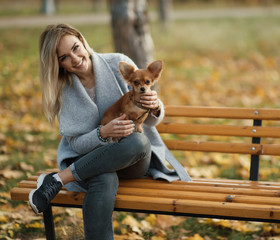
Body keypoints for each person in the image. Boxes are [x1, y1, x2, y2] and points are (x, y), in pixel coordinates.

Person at [29, 23, 191, 240]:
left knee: (139, 141)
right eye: (64, 57)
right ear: (58, 64)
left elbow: (151, 119)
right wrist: (102, 133)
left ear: (83, 41)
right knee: (103, 178)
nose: (75, 58)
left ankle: (58, 179)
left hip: (133, 160)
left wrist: (156, 106)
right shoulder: (64, 89)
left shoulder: (117, 63)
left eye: (76, 48)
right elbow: (76, 145)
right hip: (91, 163)